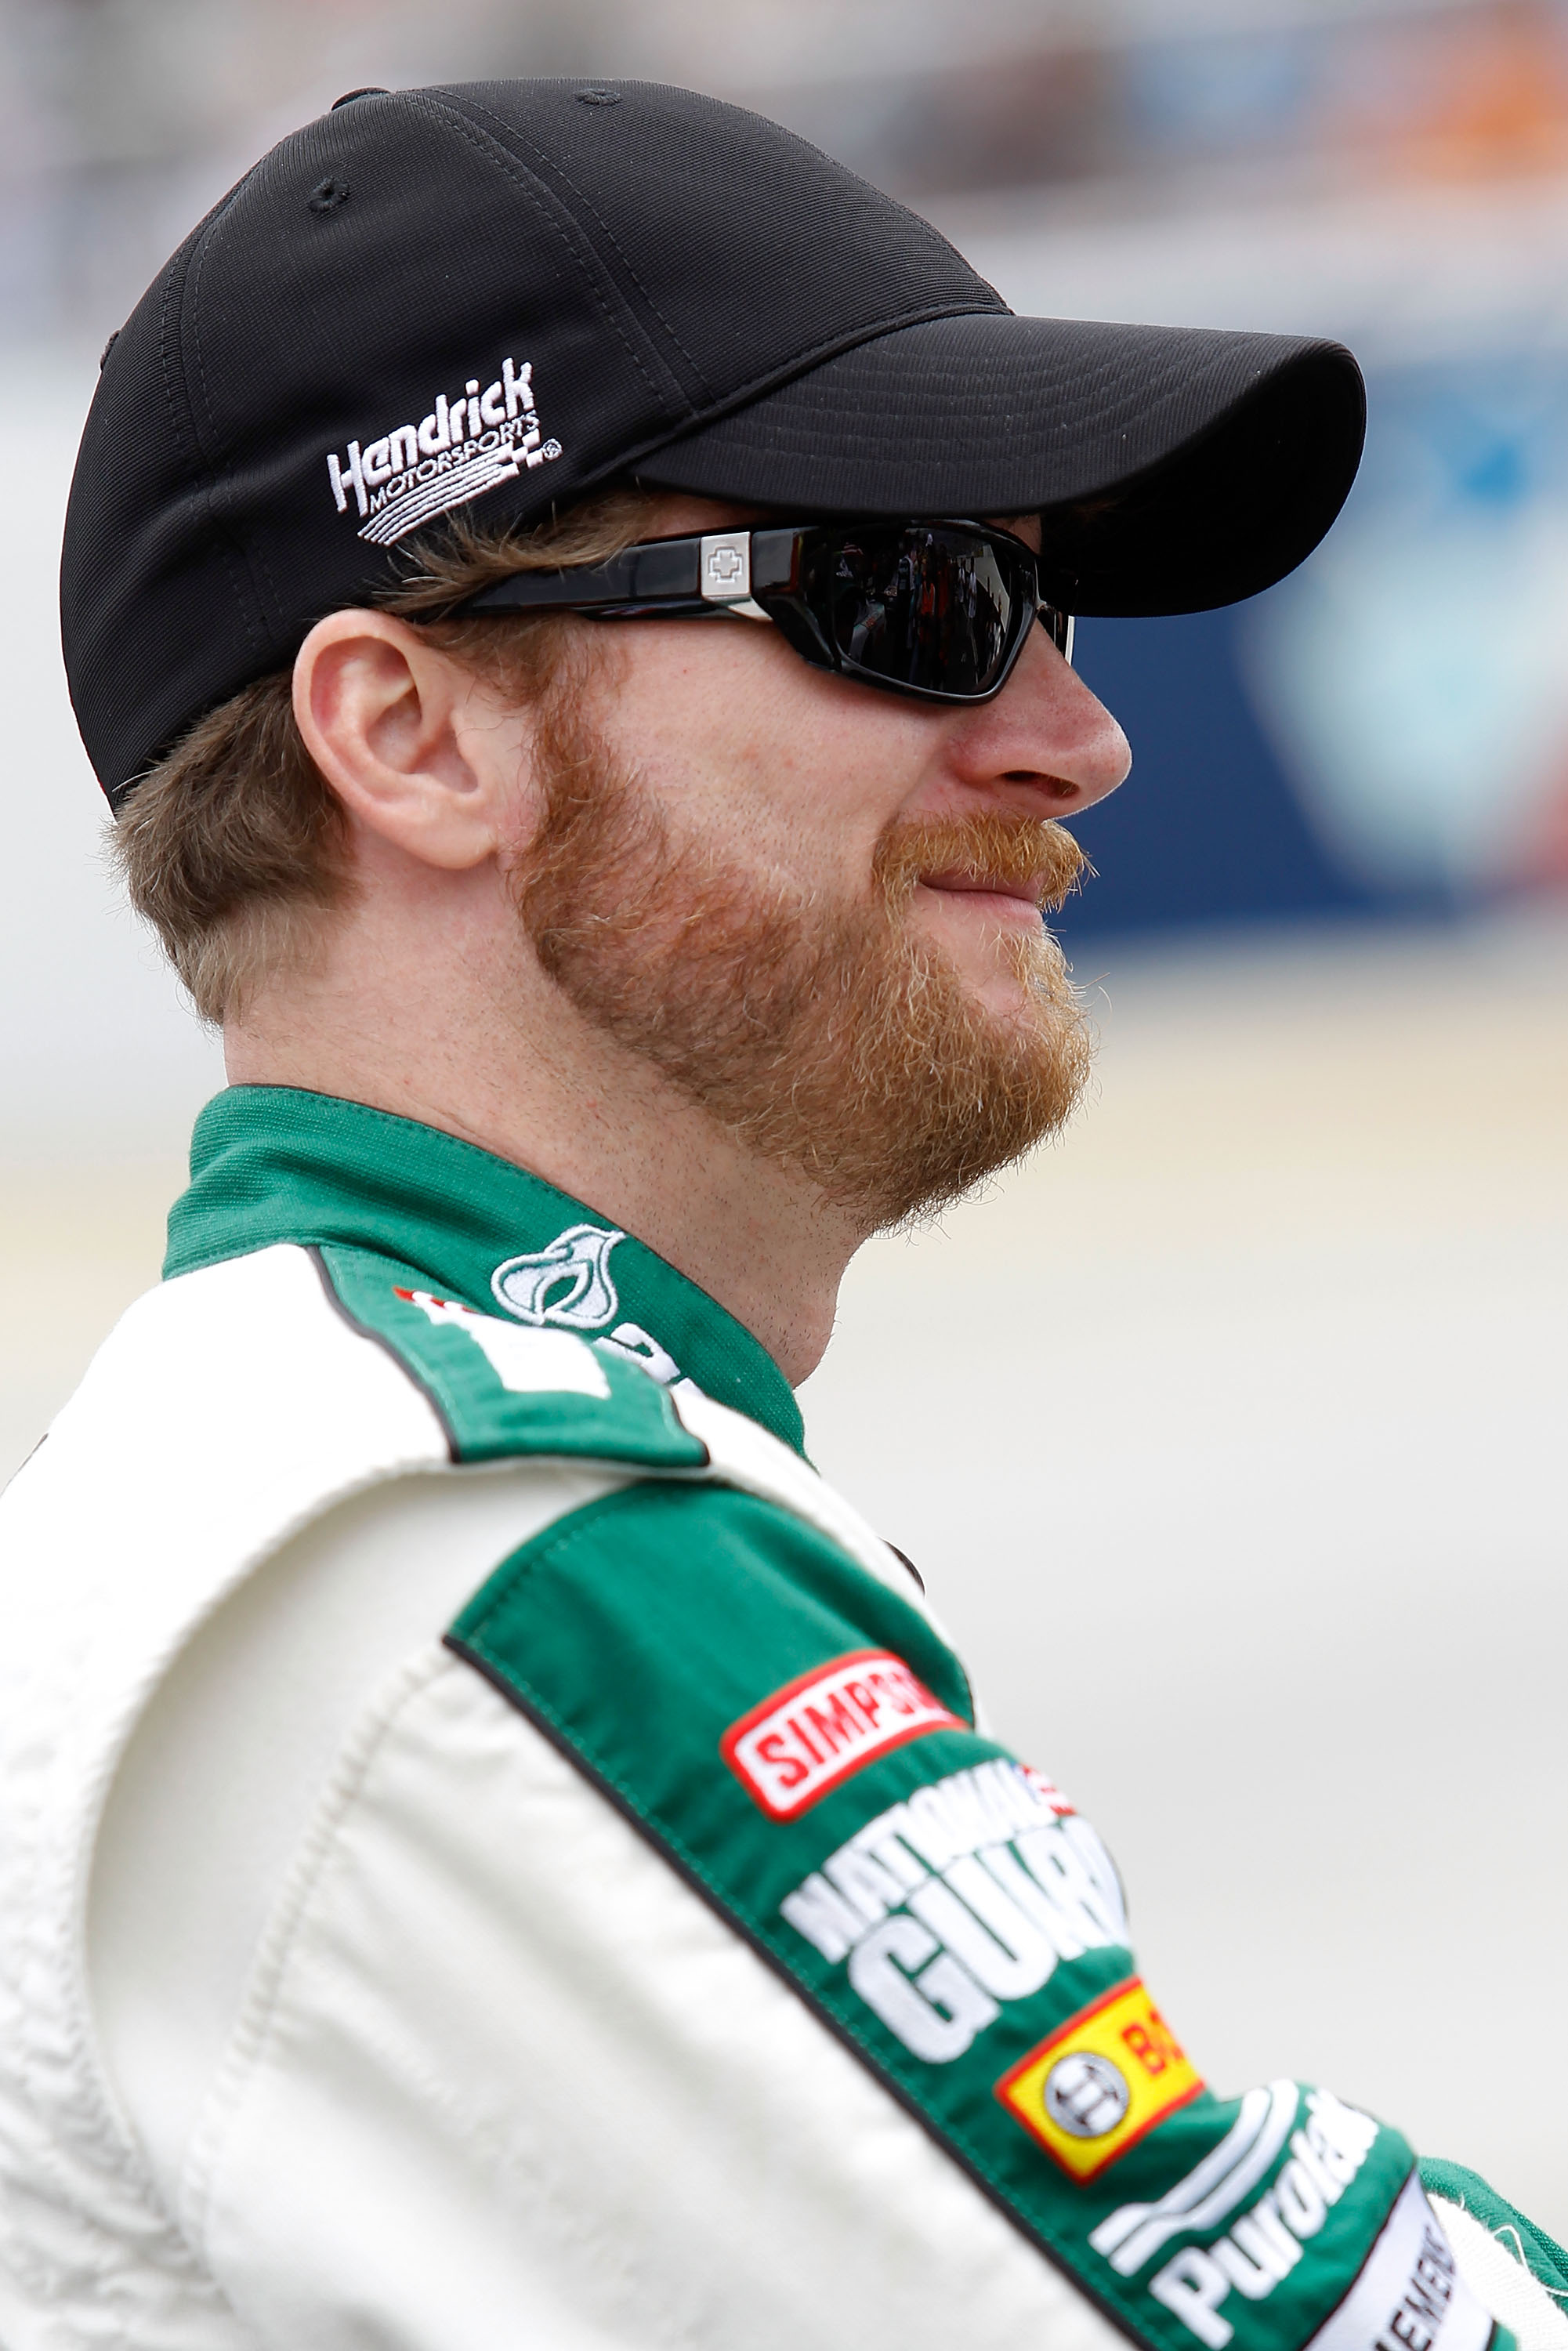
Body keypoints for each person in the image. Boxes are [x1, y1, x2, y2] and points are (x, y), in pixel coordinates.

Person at [0, 75, 1560, 2351]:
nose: (1068, 733)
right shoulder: (461, 1563)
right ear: (412, 738)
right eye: (902, 596)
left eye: (1043, 597)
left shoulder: (307, 1467)